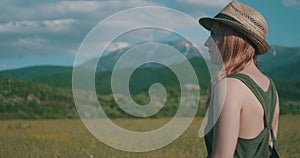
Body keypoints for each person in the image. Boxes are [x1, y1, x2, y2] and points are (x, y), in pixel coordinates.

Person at [198, 1, 280, 158]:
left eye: (214, 34)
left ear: (233, 38)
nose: (207, 43)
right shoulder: (271, 88)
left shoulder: (230, 87)